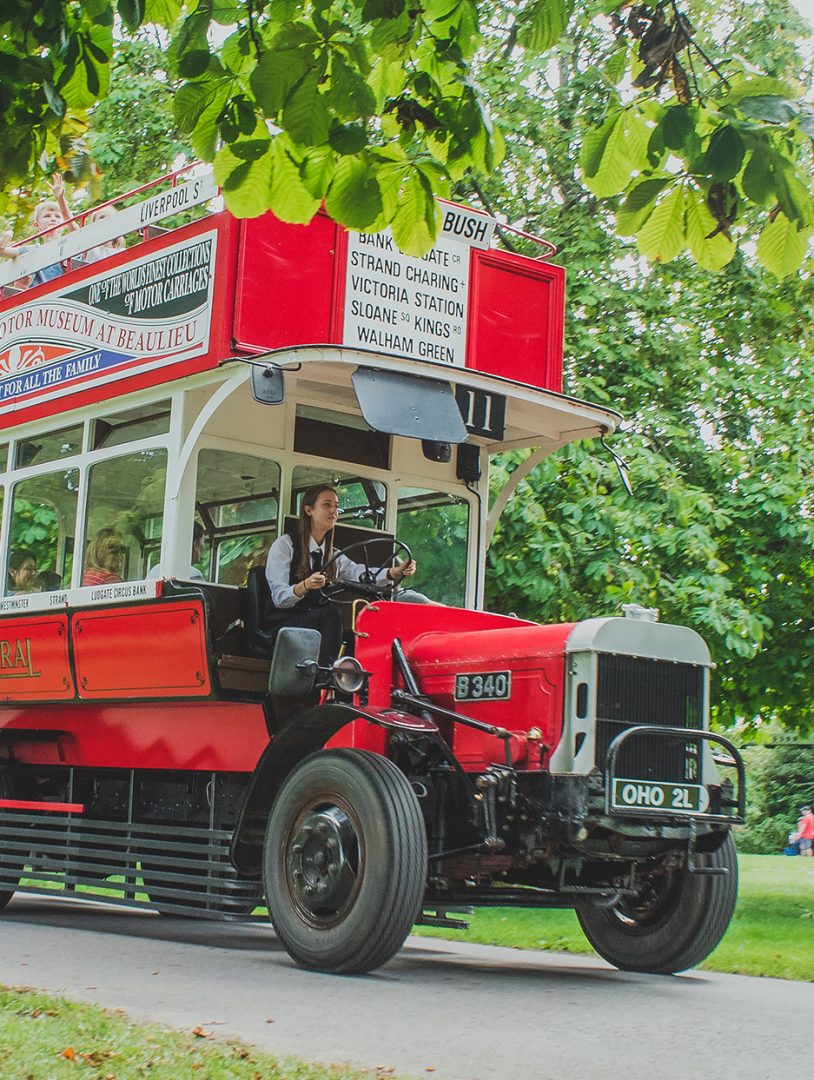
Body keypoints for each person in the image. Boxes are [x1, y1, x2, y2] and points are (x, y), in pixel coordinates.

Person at [263, 484, 416, 666]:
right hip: (281, 624)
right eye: (327, 505)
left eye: (336, 506)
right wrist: (305, 585)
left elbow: (358, 572)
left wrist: (393, 573)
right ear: (308, 510)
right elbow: (280, 598)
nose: (334, 511)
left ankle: (350, 683)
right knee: (331, 615)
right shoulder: (285, 545)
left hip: (313, 622)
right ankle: (326, 676)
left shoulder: (332, 554)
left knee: (357, 635)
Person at [0, 175, 75, 287]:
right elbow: (2, 251)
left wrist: (60, 199)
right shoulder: (32, 250)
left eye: (57, 216)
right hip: (42, 297)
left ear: (63, 223)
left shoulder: (71, 245)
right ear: (37, 225)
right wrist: (7, 236)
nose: (53, 219)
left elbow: (75, 229)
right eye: (47, 216)